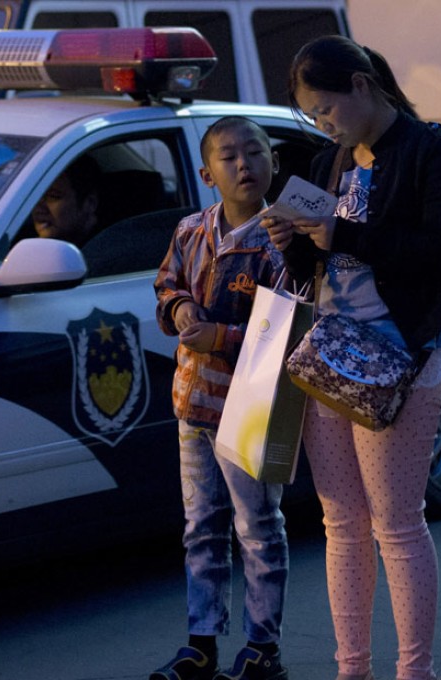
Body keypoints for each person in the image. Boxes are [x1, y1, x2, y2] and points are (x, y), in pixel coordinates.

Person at [262, 35, 441, 680]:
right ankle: (350, 667)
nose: (322, 125)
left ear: (361, 85)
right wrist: (292, 240)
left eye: (324, 109)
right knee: (341, 524)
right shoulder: (330, 161)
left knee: (397, 526)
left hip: (399, 363)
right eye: (311, 117)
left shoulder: (430, 149)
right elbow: (315, 267)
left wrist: (342, 231)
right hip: (331, 357)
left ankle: (415, 671)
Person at [152, 116, 289, 680]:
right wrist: (181, 308)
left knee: (257, 527)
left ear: (272, 164)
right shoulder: (190, 230)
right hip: (192, 405)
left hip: (251, 406)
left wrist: (222, 338)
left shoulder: (282, 242)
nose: (244, 165)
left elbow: (289, 328)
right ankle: (201, 642)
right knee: (201, 525)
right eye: (229, 157)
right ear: (208, 174)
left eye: (254, 153)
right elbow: (167, 282)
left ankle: (263, 647)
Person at [31, 155, 101, 246]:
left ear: (90, 203)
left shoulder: (108, 253)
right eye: (34, 196)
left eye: (53, 196)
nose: (38, 208)